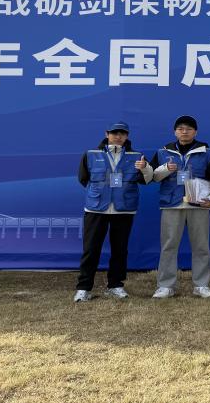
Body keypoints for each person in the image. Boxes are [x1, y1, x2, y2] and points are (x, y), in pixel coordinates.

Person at [73, 121, 152, 302]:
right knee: (90, 249)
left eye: (122, 133)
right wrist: (100, 194)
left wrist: (145, 168)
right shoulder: (91, 154)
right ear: (107, 134)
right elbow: (83, 178)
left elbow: (146, 180)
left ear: (127, 136)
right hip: (96, 209)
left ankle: (115, 285)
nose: (118, 136)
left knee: (120, 250)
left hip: (124, 209)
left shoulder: (137, 156)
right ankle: (84, 288)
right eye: (115, 133)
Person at [149, 115, 210, 299]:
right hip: (171, 205)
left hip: (198, 204)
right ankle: (165, 286)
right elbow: (151, 177)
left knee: (201, 246)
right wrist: (166, 169)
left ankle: (201, 285)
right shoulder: (163, 152)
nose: (184, 132)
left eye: (188, 128)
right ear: (175, 132)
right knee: (168, 246)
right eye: (180, 128)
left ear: (195, 132)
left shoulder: (208, 153)